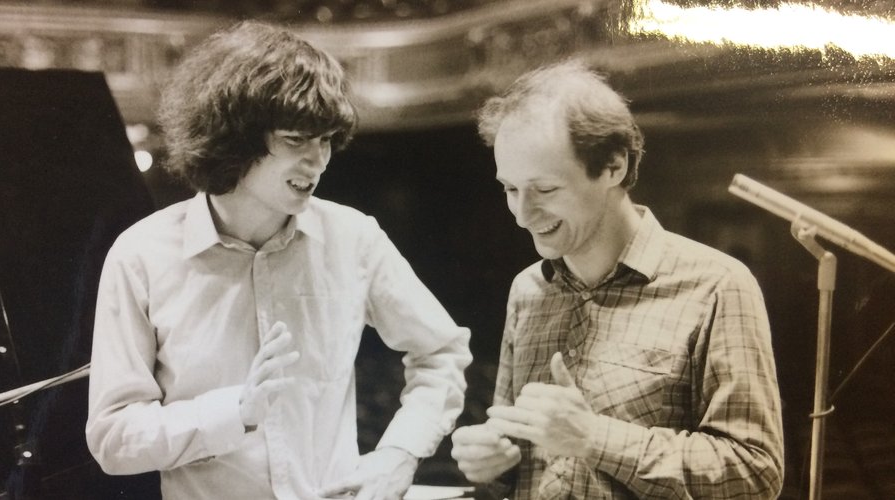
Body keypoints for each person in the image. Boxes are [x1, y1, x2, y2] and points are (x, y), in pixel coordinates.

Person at [85, 21, 471, 500]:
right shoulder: (140, 255)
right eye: (295, 139)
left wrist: (399, 455)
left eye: (326, 139)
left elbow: (442, 352)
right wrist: (235, 411)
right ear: (235, 137)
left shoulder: (353, 238)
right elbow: (113, 437)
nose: (319, 162)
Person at [450, 60, 784, 499]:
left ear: (614, 167)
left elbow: (755, 473)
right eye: (511, 189)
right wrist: (492, 464)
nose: (522, 215)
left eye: (545, 190)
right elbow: (523, 460)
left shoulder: (719, 285)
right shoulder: (527, 290)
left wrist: (593, 437)